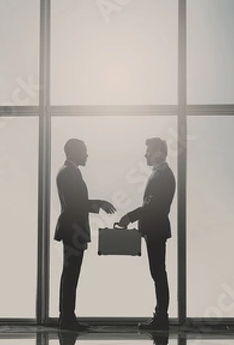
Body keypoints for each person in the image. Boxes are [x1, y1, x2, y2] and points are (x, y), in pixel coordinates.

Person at [55, 138, 115, 331]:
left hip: (74, 230)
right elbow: (75, 203)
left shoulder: (70, 172)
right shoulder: (68, 173)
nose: (87, 154)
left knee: (71, 274)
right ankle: (67, 318)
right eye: (84, 151)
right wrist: (99, 203)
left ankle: (67, 317)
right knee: (71, 274)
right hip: (73, 230)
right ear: (73, 151)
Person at [118, 138, 175, 330]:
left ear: (159, 151)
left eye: (148, 150)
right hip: (155, 229)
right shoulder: (159, 173)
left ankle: (161, 318)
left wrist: (129, 217)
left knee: (158, 273)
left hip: (156, 229)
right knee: (157, 272)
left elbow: (153, 206)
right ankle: (160, 316)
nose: (145, 154)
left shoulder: (163, 175)